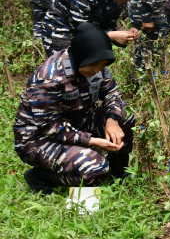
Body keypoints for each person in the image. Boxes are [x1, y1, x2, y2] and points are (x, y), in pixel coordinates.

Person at [14, 22, 135, 194]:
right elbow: (50, 127)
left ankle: (118, 172)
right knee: (96, 169)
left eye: (102, 66)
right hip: (39, 138)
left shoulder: (96, 65)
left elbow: (112, 93)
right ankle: (40, 176)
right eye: (93, 65)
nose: (97, 70)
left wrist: (112, 120)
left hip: (77, 123)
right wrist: (91, 141)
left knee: (124, 116)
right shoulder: (50, 77)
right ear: (80, 56)